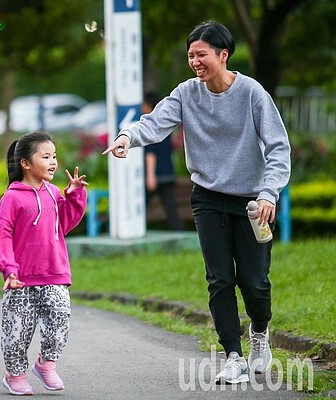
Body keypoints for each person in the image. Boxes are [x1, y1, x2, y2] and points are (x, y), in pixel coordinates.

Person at [103, 21, 291, 384]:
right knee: (219, 279)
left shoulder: (252, 93)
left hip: (252, 202)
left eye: (201, 54)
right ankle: (233, 355)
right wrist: (128, 136)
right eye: (191, 55)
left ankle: (260, 332)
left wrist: (269, 192)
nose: (195, 62)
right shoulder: (187, 93)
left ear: (223, 55)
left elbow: (278, 147)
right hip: (207, 198)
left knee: (254, 282)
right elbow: (155, 122)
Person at [0, 131, 88, 395]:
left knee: (60, 319)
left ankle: (46, 365)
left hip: (55, 273)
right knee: (17, 332)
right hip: (21, 279)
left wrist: (75, 195)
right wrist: (8, 270)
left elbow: (65, 223)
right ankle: (15, 376)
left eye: (54, 156)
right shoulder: (12, 198)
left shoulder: (54, 193)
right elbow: (2, 237)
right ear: (25, 163)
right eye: (45, 157)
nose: (53, 162)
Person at [142, 92, 182, 231]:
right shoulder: (165, 125)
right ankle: (178, 234)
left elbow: (151, 153)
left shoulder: (150, 126)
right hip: (168, 172)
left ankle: (137, 229)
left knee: (141, 206)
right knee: (171, 209)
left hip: (156, 174)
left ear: (148, 106)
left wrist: (150, 175)